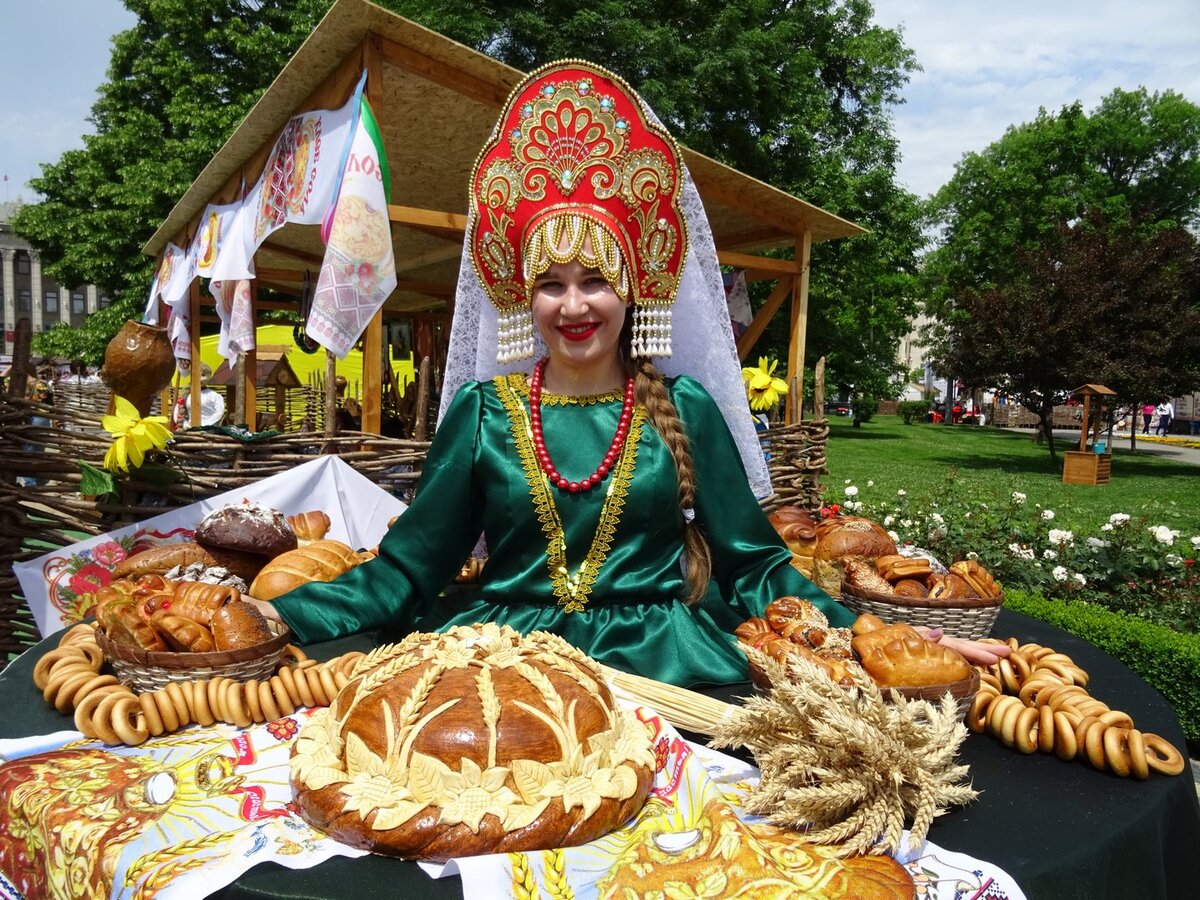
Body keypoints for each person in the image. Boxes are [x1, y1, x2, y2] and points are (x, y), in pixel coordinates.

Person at [249, 61, 1003, 685]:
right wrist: (283, 612)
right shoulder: (482, 413)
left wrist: (882, 634)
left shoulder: (687, 409)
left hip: (667, 671)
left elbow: (757, 566)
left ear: (634, 289)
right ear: (522, 296)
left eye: (594, 280)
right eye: (551, 283)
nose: (573, 305)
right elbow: (410, 566)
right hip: (503, 663)